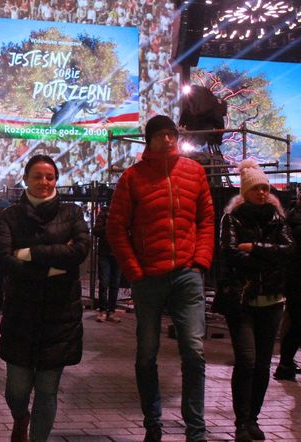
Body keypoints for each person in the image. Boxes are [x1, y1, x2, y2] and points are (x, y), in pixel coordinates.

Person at [107, 115, 214, 442]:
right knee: (146, 352)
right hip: (148, 278)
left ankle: (196, 430)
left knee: (194, 351)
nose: (167, 140)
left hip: (187, 274)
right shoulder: (133, 177)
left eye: (171, 134)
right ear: (149, 141)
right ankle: (152, 422)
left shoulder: (194, 172)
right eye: (160, 135)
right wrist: (135, 272)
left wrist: (200, 262)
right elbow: (115, 228)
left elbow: (207, 219)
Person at [0, 154, 89, 442]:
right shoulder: (11, 216)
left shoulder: (72, 213)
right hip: (20, 317)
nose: (44, 182)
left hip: (60, 319)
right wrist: (51, 269)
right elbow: (2, 259)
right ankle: (20, 417)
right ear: (25, 179)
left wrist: (30, 253)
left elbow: (81, 252)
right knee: (16, 391)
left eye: (50, 176)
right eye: (37, 176)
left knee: (47, 391)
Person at [217, 159, 293, 442]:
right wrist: (267, 257)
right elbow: (230, 253)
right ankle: (241, 421)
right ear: (245, 191)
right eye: (256, 188)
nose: (262, 192)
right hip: (242, 300)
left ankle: (253, 420)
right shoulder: (232, 218)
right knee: (247, 360)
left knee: (262, 364)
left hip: (272, 301)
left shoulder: (277, 217)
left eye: (265, 188)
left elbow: (288, 250)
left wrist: (255, 248)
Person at [274, 189, 301, 381]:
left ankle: (286, 364)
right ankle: (285, 364)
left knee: (296, 323)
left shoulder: (291, 217)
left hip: (295, 278)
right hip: (296, 279)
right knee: (297, 323)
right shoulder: (292, 220)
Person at [93, 203, 122, 323]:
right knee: (104, 283)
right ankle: (103, 310)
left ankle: (111, 310)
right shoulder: (104, 213)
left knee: (115, 284)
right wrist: (110, 226)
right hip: (105, 253)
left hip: (118, 252)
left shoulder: (123, 212)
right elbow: (96, 231)